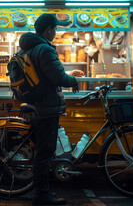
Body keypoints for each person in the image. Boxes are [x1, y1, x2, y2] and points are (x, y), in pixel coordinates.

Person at [18, 13, 79, 205]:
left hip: (37, 104)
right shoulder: (45, 49)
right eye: (55, 29)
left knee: (42, 151)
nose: (56, 32)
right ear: (48, 30)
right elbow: (58, 77)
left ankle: (41, 191)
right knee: (44, 152)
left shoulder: (29, 48)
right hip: (45, 107)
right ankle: (42, 195)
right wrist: (74, 80)